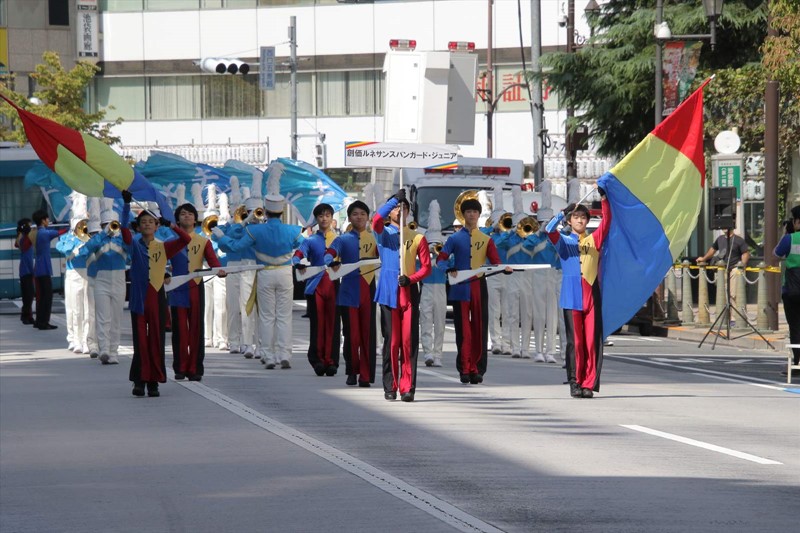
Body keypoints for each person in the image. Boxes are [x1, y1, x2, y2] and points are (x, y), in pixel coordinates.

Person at [214, 190, 302, 370]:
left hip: (265, 273)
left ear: (266, 211)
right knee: (284, 316)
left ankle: (268, 355)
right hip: (285, 273)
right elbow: (301, 245)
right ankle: (284, 354)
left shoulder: (255, 230)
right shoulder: (292, 230)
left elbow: (235, 246)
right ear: (281, 212)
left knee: (267, 316)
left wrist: (222, 237)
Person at [120, 193, 192, 398]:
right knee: (140, 341)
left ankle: (154, 382)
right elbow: (123, 230)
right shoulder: (134, 245)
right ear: (138, 226)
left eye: (151, 222)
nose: (147, 224)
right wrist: (126, 204)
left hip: (157, 297)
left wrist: (172, 225)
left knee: (156, 340)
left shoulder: (163, 246)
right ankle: (139, 381)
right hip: (138, 299)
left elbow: (185, 239)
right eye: (143, 222)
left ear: (157, 226)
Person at [545, 190, 611, 399]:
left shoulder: (594, 239)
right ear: (570, 221)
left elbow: (607, 222)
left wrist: (604, 199)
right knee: (576, 342)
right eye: (575, 217)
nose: (580, 220)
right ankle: (575, 382)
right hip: (571, 296)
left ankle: (588, 383)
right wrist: (562, 212)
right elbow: (548, 230)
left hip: (591, 295)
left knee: (591, 341)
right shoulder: (564, 242)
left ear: (587, 221)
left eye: (583, 217)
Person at [438, 197, 506, 384]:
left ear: (478, 214)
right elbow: (440, 260)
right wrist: (448, 269)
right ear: (463, 215)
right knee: (463, 331)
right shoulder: (454, 238)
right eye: (468, 212)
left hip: (478, 287)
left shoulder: (486, 239)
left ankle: (477, 369)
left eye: (475, 212)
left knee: (479, 329)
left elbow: (496, 262)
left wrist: (504, 269)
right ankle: (464, 369)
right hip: (460, 288)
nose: (472, 215)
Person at [373, 190, 431, 401]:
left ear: (409, 212)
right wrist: (393, 201)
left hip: (408, 291)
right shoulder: (383, 233)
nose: (399, 210)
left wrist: (411, 279)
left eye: (403, 208)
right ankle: (390, 385)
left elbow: (426, 267)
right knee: (392, 341)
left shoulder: (417, 237)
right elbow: (376, 219)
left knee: (408, 341)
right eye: (396, 208)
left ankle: (408, 387)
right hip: (388, 292)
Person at [169, 201, 225, 381]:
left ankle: (195, 368)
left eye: (190, 214)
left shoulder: (203, 241)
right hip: (177, 288)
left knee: (196, 328)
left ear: (195, 220)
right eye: (183, 213)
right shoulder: (170, 242)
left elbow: (213, 261)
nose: (187, 216)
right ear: (177, 220)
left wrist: (220, 271)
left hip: (195, 286)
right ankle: (180, 367)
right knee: (179, 330)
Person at [327, 200, 379, 386]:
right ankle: (351, 370)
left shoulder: (374, 238)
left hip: (368, 289)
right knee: (351, 335)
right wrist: (331, 261)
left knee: (367, 334)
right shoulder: (342, 239)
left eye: (363, 214)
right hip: (348, 291)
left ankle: (365, 375)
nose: (359, 217)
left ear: (368, 217)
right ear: (349, 217)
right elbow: (329, 253)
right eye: (355, 214)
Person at [293, 203, 341, 376]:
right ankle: (317, 360)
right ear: (316, 219)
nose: (324, 219)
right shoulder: (310, 240)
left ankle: (332, 360)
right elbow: (298, 254)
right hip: (316, 285)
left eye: (327, 215)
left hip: (334, 284)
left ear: (332, 218)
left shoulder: (340, 239)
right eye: (321, 216)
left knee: (333, 324)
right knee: (318, 324)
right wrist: (297, 263)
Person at [78, 200, 127, 364]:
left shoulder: (122, 241)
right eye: (106, 224)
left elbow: (132, 248)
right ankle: (104, 349)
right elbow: (84, 250)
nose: (110, 227)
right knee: (102, 318)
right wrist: (103, 233)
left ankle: (113, 352)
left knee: (116, 319)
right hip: (102, 281)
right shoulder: (99, 241)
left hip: (119, 281)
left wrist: (121, 232)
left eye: (112, 224)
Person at [56, 205, 90, 355]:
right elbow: (63, 249)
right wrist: (75, 238)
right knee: (74, 309)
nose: (82, 226)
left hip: (88, 273)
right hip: (73, 274)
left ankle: (86, 340)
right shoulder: (66, 238)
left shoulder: (90, 236)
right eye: (79, 223)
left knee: (88, 309)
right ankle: (75, 339)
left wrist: (86, 239)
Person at [774, 205, 800, 377]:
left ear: (797, 222)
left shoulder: (790, 239)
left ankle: (797, 363)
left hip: (792, 290)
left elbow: (775, 254)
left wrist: (786, 233)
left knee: (795, 327)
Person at [31, 209, 67, 330]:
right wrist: (72, 226)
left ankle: (39, 321)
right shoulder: (44, 233)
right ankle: (44, 322)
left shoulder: (38, 232)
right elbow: (61, 232)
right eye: (47, 219)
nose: (48, 220)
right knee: (47, 297)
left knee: (42, 297)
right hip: (44, 268)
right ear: (42, 220)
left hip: (39, 268)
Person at [14, 218, 35, 325]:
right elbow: (20, 244)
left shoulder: (24, 236)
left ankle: (28, 316)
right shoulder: (24, 238)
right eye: (29, 225)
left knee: (29, 295)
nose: (31, 227)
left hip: (28, 269)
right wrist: (24, 233)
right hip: (25, 270)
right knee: (28, 295)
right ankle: (25, 316)